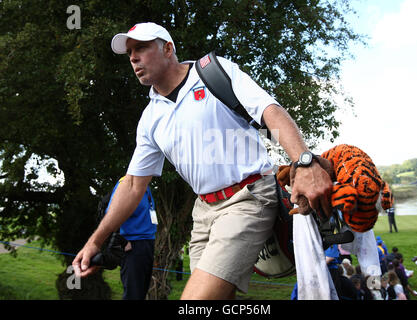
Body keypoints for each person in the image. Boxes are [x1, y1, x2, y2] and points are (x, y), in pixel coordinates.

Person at [72, 22, 333, 300]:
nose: (133, 57)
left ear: (168, 48)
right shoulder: (150, 117)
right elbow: (134, 184)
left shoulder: (213, 71)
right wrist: (95, 240)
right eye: (130, 53)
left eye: (142, 48)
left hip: (247, 198)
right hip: (203, 212)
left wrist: (304, 162)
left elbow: (269, 110)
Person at [105, 177, 157, 300]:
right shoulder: (126, 184)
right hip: (133, 245)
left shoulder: (145, 185)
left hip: (147, 243)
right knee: (133, 294)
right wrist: (121, 241)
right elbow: (109, 216)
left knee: (140, 292)